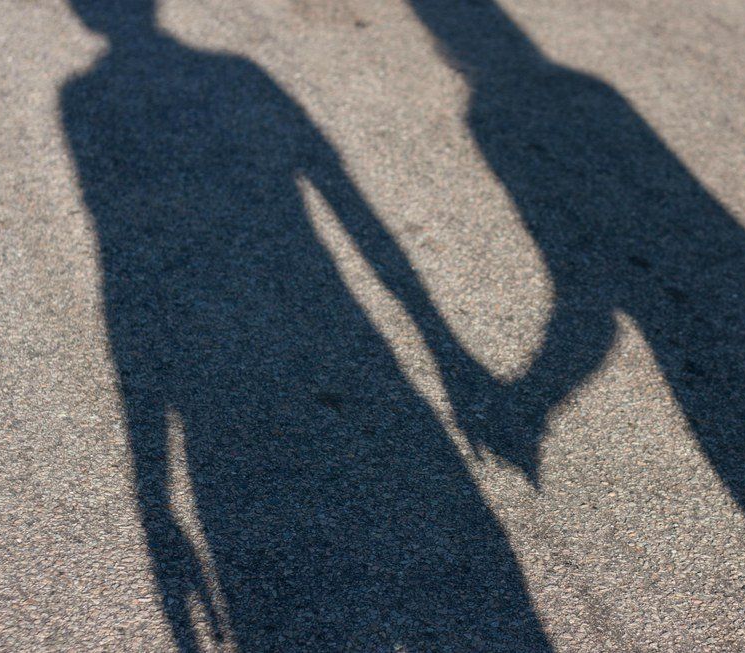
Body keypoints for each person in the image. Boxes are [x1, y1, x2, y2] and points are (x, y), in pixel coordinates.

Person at [403, 1, 745, 650]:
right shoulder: (587, 90)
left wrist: (534, 398)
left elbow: (589, 293)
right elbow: (738, 243)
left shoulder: (494, 114)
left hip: (744, 387)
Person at [61, 1, 551, 649]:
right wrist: (442, 346)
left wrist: (155, 497)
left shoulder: (85, 98)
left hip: (214, 391)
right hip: (342, 346)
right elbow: (345, 198)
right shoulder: (232, 74)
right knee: (481, 604)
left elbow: (117, 262)